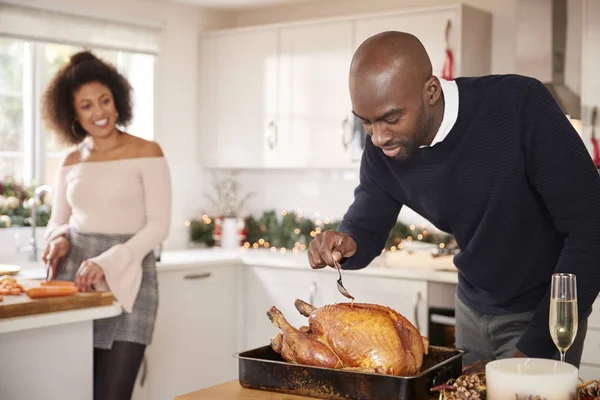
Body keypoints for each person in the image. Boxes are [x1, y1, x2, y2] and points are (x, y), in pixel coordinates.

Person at [308, 31, 600, 372]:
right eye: (366, 122)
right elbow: (366, 225)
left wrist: (531, 352)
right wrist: (345, 242)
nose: (379, 137)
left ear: (431, 91)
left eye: (390, 118)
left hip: (543, 309)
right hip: (471, 310)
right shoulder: (381, 150)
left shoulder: (518, 105)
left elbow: (591, 228)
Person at [40, 50, 171, 399]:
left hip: (131, 276)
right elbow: (59, 221)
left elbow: (159, 226)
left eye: (104, 100)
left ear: (118, 100)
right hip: (77, 279)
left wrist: (108, 260)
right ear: (72, 113)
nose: (99, 112)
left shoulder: (147, 151)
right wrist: (59, 240)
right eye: (86, 106)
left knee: (112, 395)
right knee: (74, 390)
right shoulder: (69, 161)